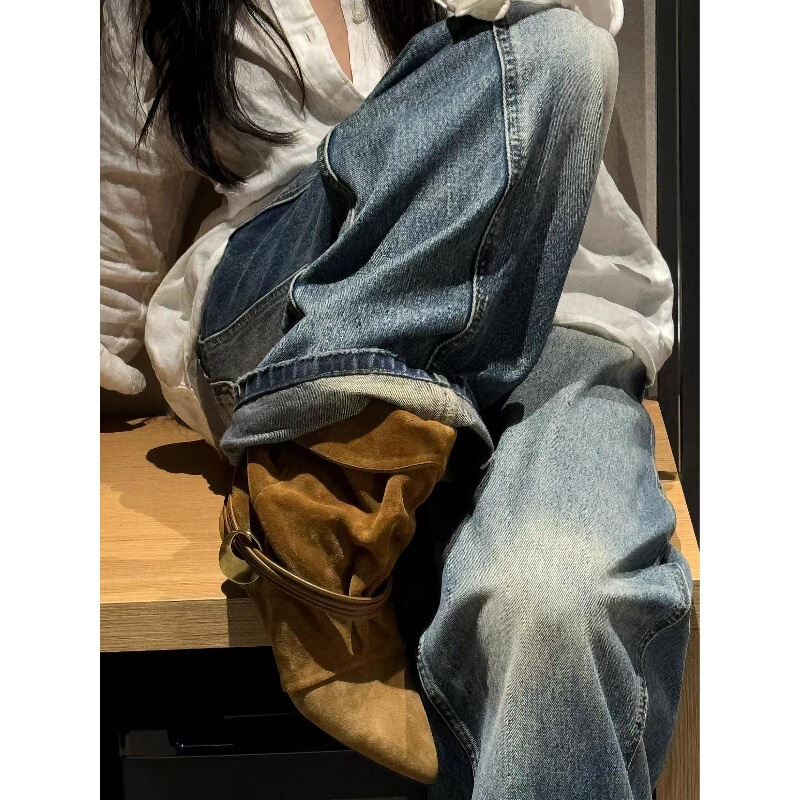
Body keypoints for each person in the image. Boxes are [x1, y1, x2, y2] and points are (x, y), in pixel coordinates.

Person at [101, 1, 692, 797]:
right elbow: (114, 232)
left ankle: (315, 505)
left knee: (557, 600)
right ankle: (324, 478)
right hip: (293, 302)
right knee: (560, 54)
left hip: (547, 310)